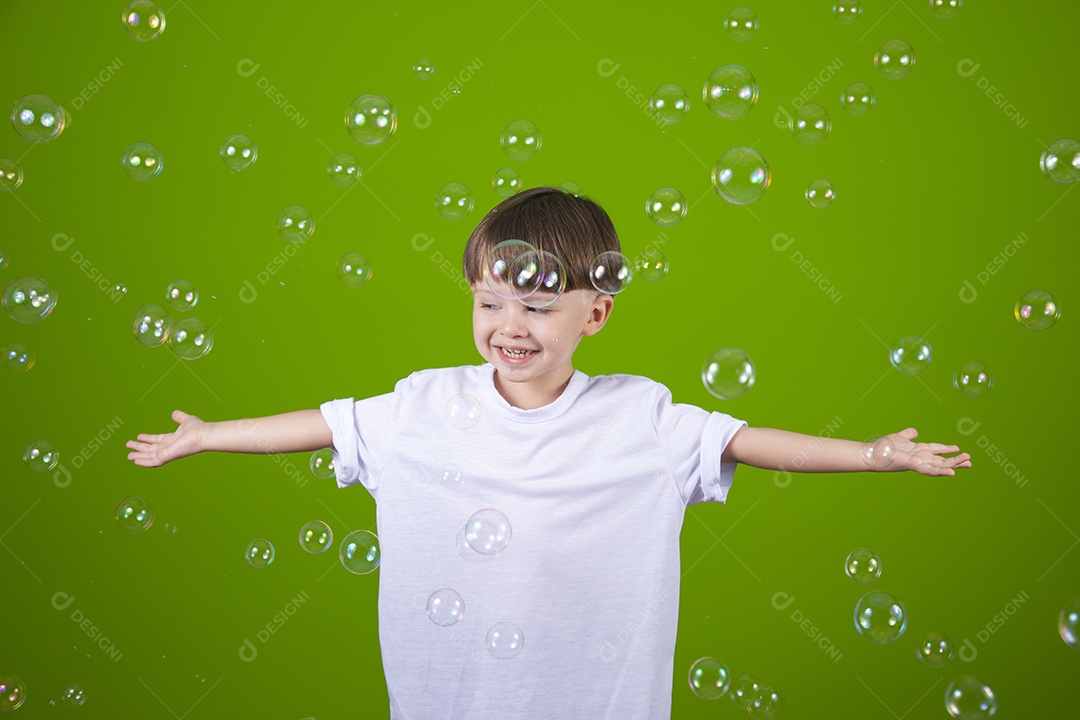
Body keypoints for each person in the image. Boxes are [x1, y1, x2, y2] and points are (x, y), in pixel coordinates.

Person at [126, 186, 971, 719]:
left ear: (594, 316)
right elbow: (321, 423)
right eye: (490, 302)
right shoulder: (425, 403)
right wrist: (207, 436)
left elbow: (749, 443)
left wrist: (871, 454)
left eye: (537, 308)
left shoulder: (641, 418)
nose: (508, 327)